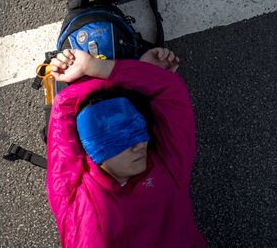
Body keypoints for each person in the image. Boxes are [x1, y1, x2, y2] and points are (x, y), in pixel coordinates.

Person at [47, 47, 206, 248]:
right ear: (93, 147)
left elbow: (170, 89)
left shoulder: (169, 167)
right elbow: (64, 105)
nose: (141, 144)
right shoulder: (70, 194)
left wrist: (95, 67)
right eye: (123, 136)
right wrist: (137, 72)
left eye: (139, 130)